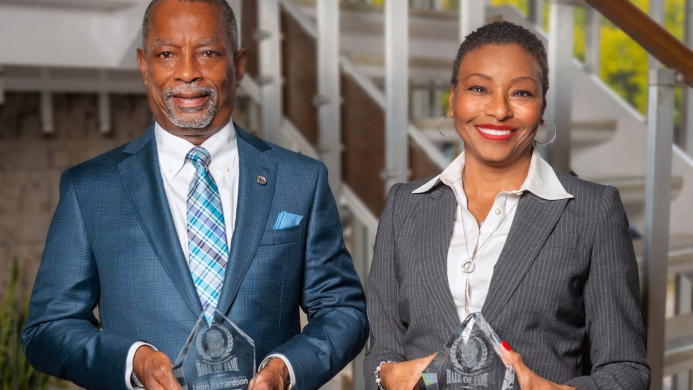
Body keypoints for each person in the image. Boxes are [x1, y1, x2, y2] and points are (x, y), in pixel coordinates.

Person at [22, 1, 368, 390]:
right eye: (167, 54)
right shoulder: (89, 190)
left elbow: (344, 310)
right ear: (144, 65)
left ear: (238, 65)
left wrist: (286, 368)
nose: (187, 73)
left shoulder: (301, 180)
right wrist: (132, 360)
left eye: (208, 53)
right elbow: (48, 330)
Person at [364, 21, 649, 390]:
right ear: (453, 100)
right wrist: (385, 375)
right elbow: (383, 350)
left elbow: (627, 370)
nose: (498, 110)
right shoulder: (404, 204)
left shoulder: (593, 210)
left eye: (521, 94)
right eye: (479, 88)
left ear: (542, 108)